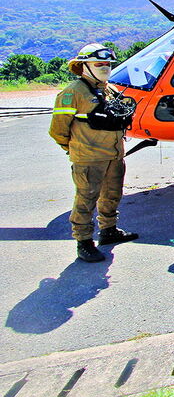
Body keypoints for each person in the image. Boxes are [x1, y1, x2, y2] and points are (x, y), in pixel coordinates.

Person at [49, 43, 138, 262]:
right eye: (99, 64)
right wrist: (76, 150)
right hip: (89, 157)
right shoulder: (72, 93)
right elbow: (58, 129)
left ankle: (108, 230)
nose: (105, 67)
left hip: (114, 155)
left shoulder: (110, 90)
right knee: (86, 198)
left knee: (112, 194)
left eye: (108, 64)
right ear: (84, 66)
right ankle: (84, 242)